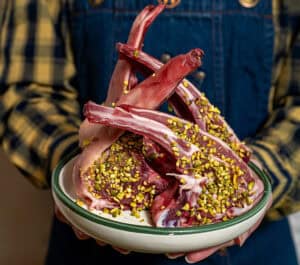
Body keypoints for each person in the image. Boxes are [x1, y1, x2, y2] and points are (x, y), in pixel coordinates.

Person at [0, 0, 300, 264]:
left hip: (255, 250)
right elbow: (29, 92)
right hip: (90, 242)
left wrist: (254, 179)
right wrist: (78, 167)